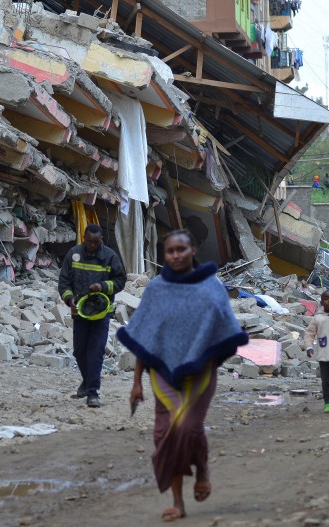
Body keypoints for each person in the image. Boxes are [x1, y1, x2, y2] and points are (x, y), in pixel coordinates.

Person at [118, 230, 248, 523]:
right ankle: (178, 502)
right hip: (162, 375)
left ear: (192, 251)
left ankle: (202, 470)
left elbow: (224, 326)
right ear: (164, 256)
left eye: (181, 250)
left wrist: (209, 353)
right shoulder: (156, 289)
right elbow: (145, 338)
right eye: (170, 251)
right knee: (166, 434)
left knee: (188, 428)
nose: (175, 255)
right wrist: (137, 382)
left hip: (201, 374)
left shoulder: (210, 286)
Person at [58, 224, 126, 408]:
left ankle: (93, 393)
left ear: (101, 239)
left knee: (95, 352)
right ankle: (87, 381)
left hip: (101, 313)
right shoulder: (73, 254)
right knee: (79, 351)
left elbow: (121, 280)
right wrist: (69, 298)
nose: (93, 245)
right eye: (89, 242)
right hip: (80, 312)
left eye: (96, 242)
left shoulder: (110, 256)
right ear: (84, 238)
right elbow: (64, 282)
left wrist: (103, 286)